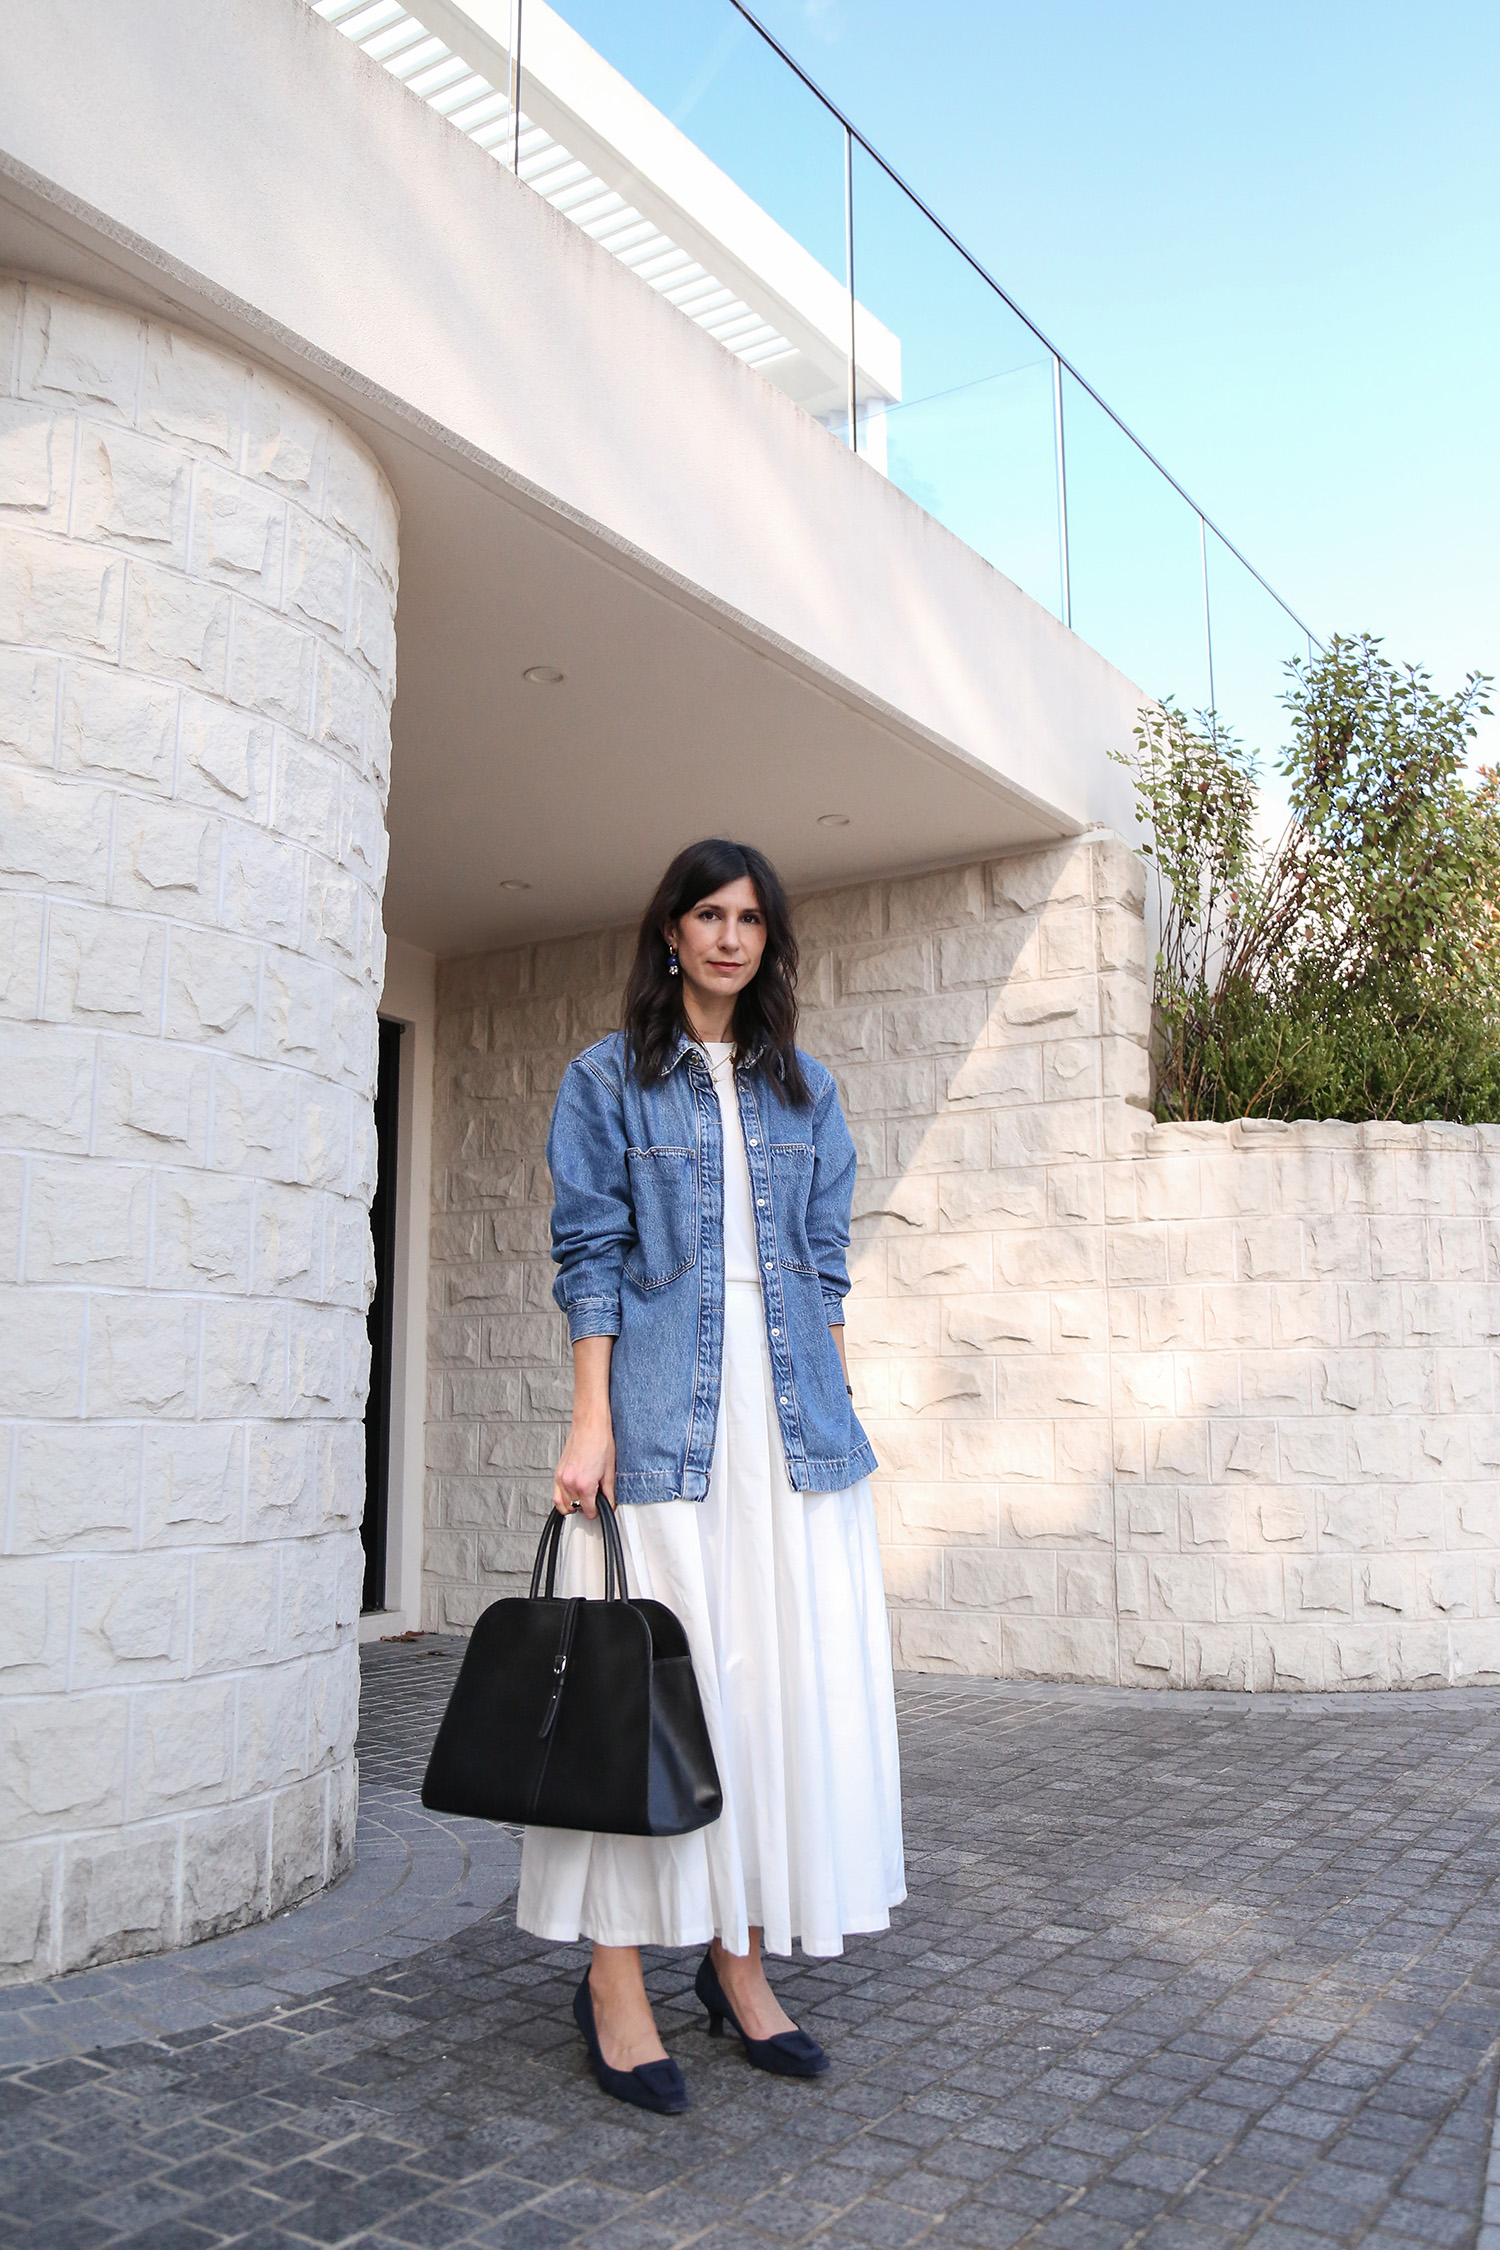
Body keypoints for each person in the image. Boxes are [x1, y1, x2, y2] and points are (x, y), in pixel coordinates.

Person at [516, 837, 905, 2114]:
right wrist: (590, 1423)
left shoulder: (809, 1092)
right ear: (670, 934)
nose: (730, 937)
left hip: (790, 1434)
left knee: (766, 1702)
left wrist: (839, 1427)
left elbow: (826, 1272)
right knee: (645, 1703)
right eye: (707, 915)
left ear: (766, 941)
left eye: (750, 918)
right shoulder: (605, 1083)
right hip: (666, 1426)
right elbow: (591, 1258)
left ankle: (737, 1966)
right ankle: (616, 1978)